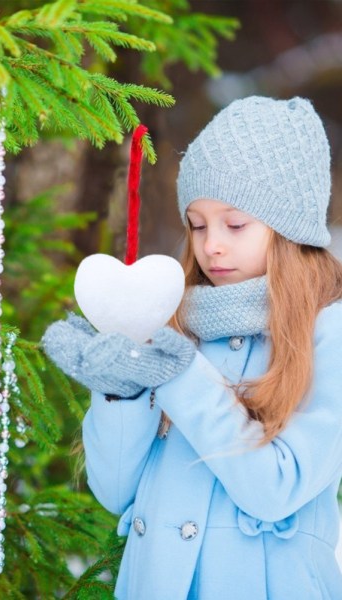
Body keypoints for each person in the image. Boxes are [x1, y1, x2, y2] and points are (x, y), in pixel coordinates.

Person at [42, 96, 342, 599]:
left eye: (235, 224)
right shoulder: (175, 323)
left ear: (290, 225)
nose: (212, 245)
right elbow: (116, 491)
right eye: (197, 225)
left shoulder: (327, 333)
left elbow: (276, 490)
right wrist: (120, 393)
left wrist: (181, 376)